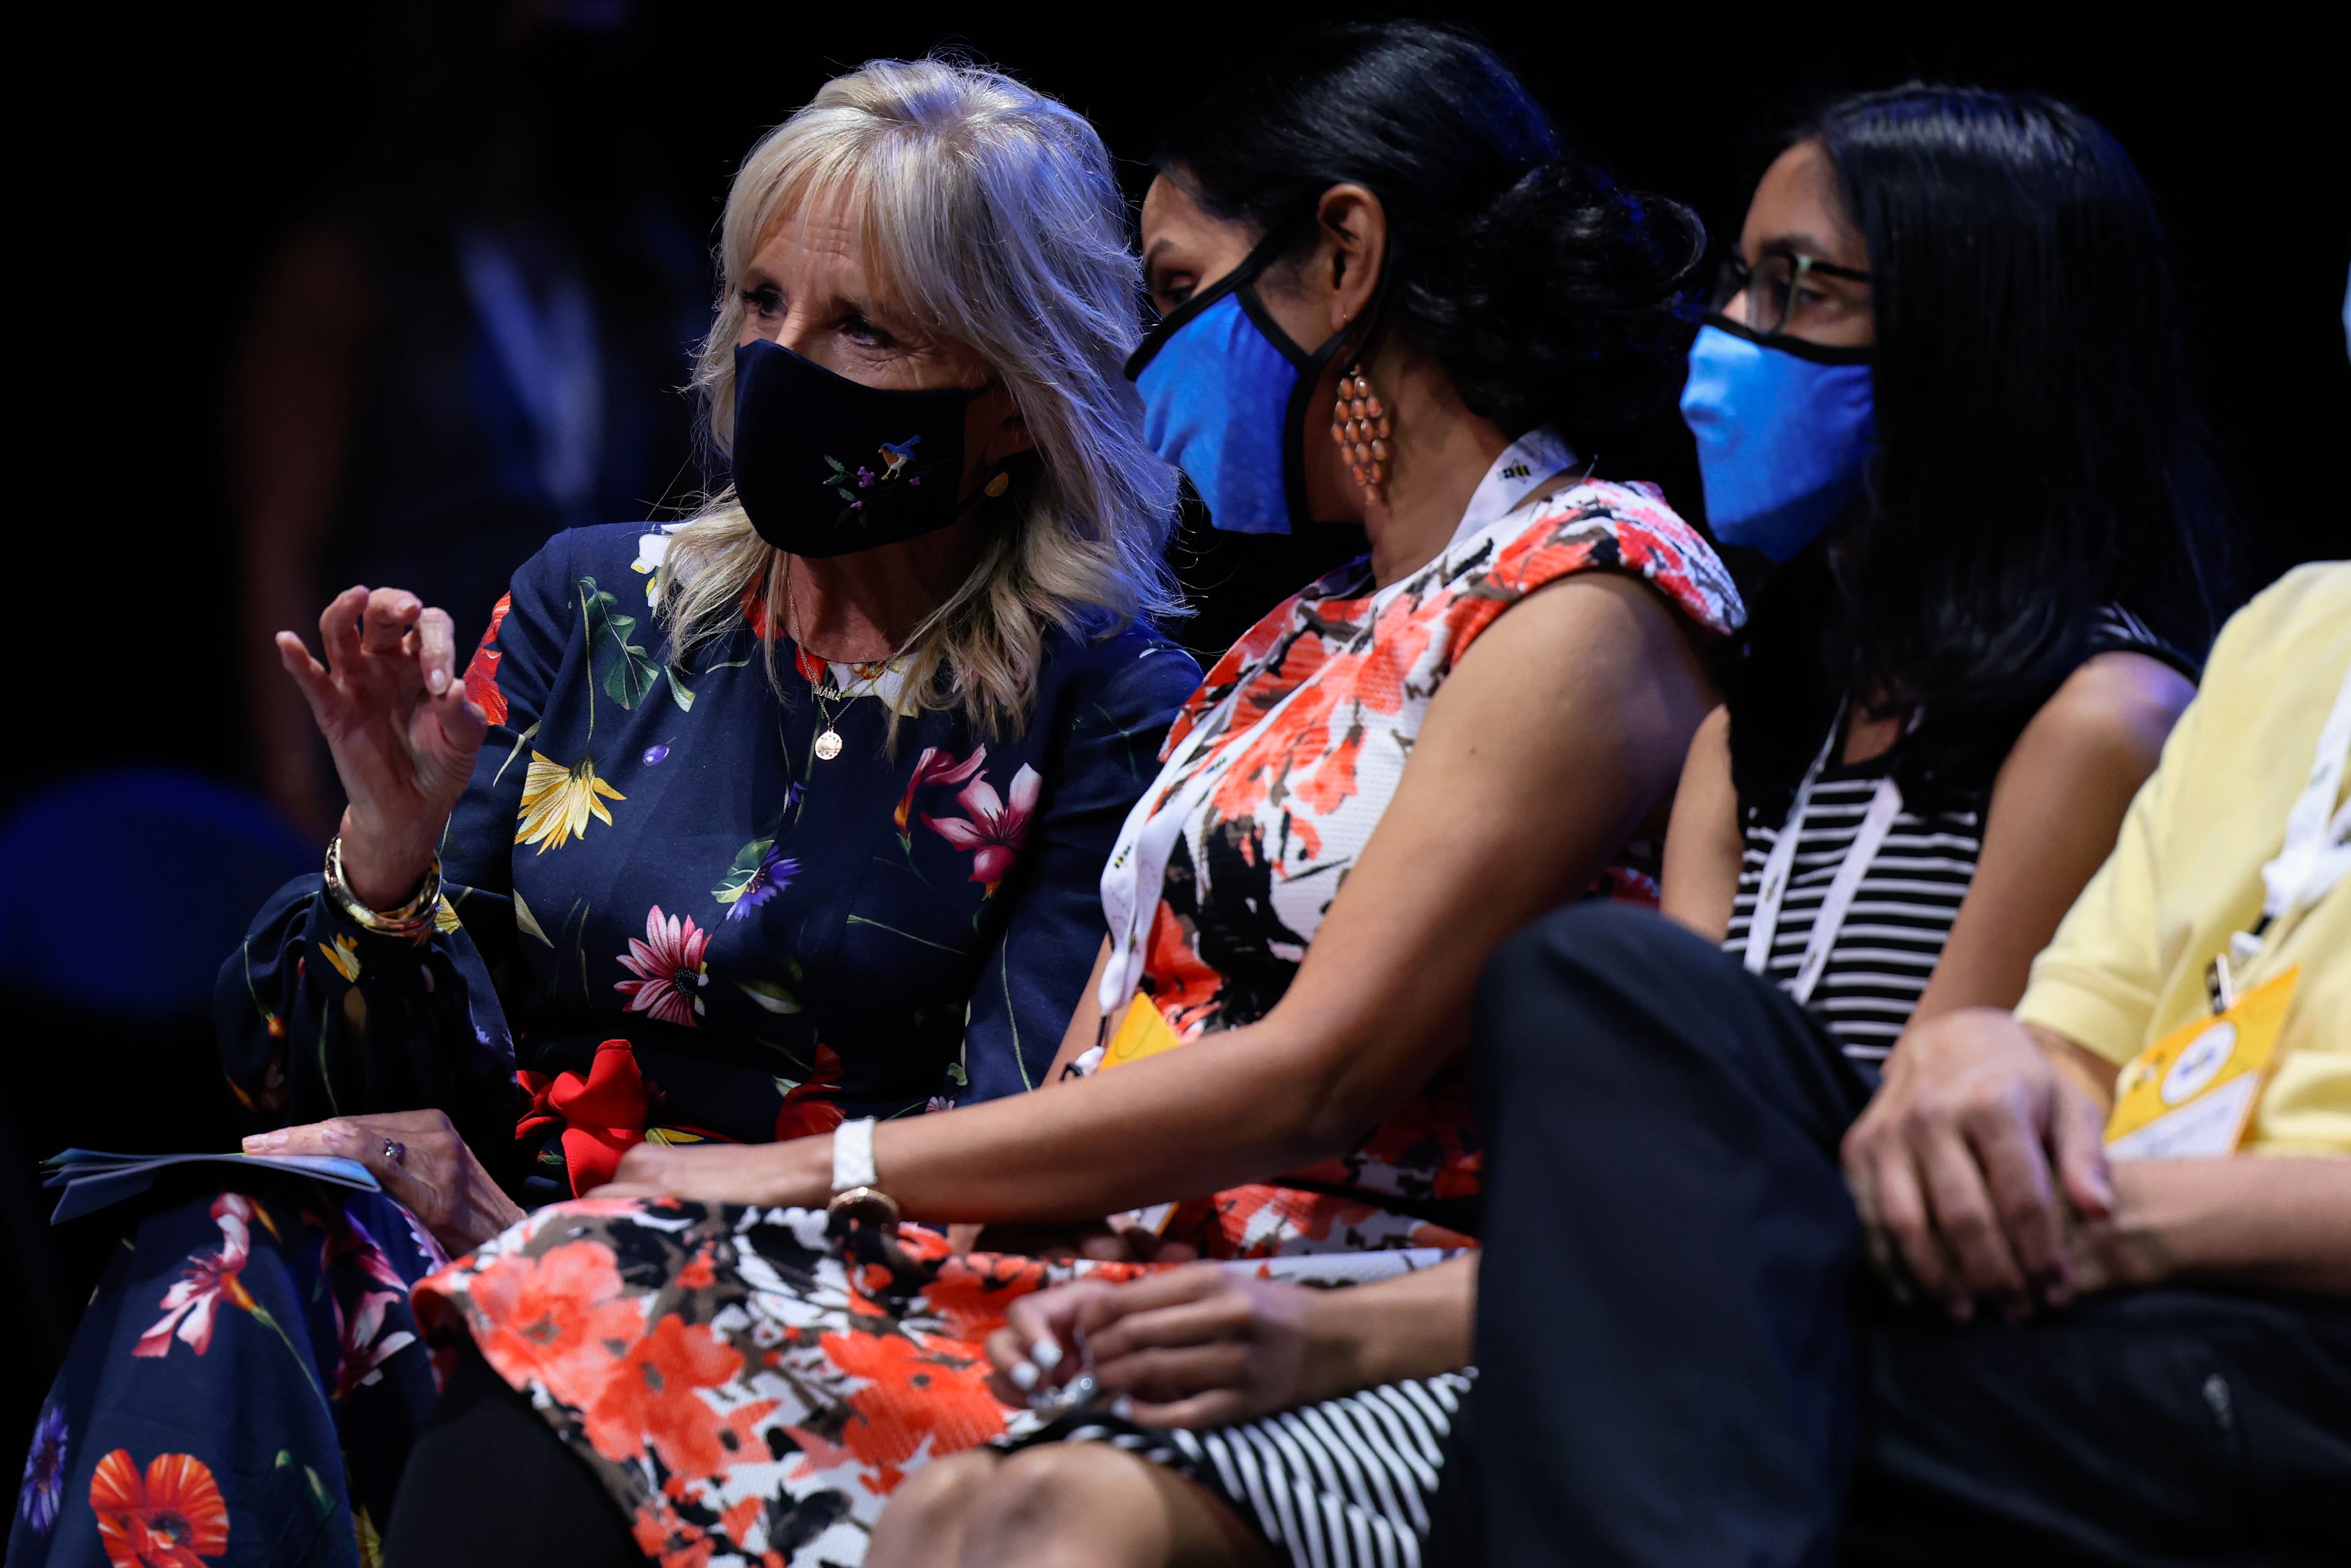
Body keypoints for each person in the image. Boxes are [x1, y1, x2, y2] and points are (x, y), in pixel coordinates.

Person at [396, 24, 1741, 1567]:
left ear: (1346, 257)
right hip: (1116, 1270)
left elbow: (1317, 1078)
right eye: (761, 306)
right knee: (553, 1293)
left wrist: (813, 1174)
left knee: (595, 1293)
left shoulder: (1581, 589)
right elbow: (1105, 1064)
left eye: (1174, 297)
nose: (1144, 361)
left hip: (1337, 1302)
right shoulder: (1301, 638)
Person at [926, 82, 2239, 1568]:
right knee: (952, 1505)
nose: (1730, 337)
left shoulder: (2099, 722)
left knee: (1064, 1516)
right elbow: (1676, 1192)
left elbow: (1865, 1212)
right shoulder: (1754, 739)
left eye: (1798, 289)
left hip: (1859, 1378)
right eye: (1742, 279)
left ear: (1976, 336)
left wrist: (1336, 1339)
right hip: (1660, 1326)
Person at [11, 57, 1196, 1567]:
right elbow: (303, 1081)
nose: (782, 362)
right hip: (489, 1270)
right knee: (220, 1251)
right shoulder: (602, 603)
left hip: (812, 1330)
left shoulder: (1108, 702)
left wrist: (546, 1236)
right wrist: (384, 855)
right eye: (761, 303)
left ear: (1017, 402)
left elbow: (1016, 1159)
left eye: (866, 330)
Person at [1458, 558, 2349, 1565]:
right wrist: (1983, 1055)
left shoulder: (2114, 697)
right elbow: (2073, 1047)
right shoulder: (2296, 620)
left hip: (2282, 1315)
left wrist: (2121, 1218)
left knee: (1582, 1414)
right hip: (2096, 1267)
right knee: (1596, 981)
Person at [234, 3, 707, 840]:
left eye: (583, 57)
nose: (551, 95)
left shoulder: (634, 271)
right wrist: (300, 797)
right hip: (422, 735)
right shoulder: (355, 270)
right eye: (533, 56)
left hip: (610, 745)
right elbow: (281, 549)